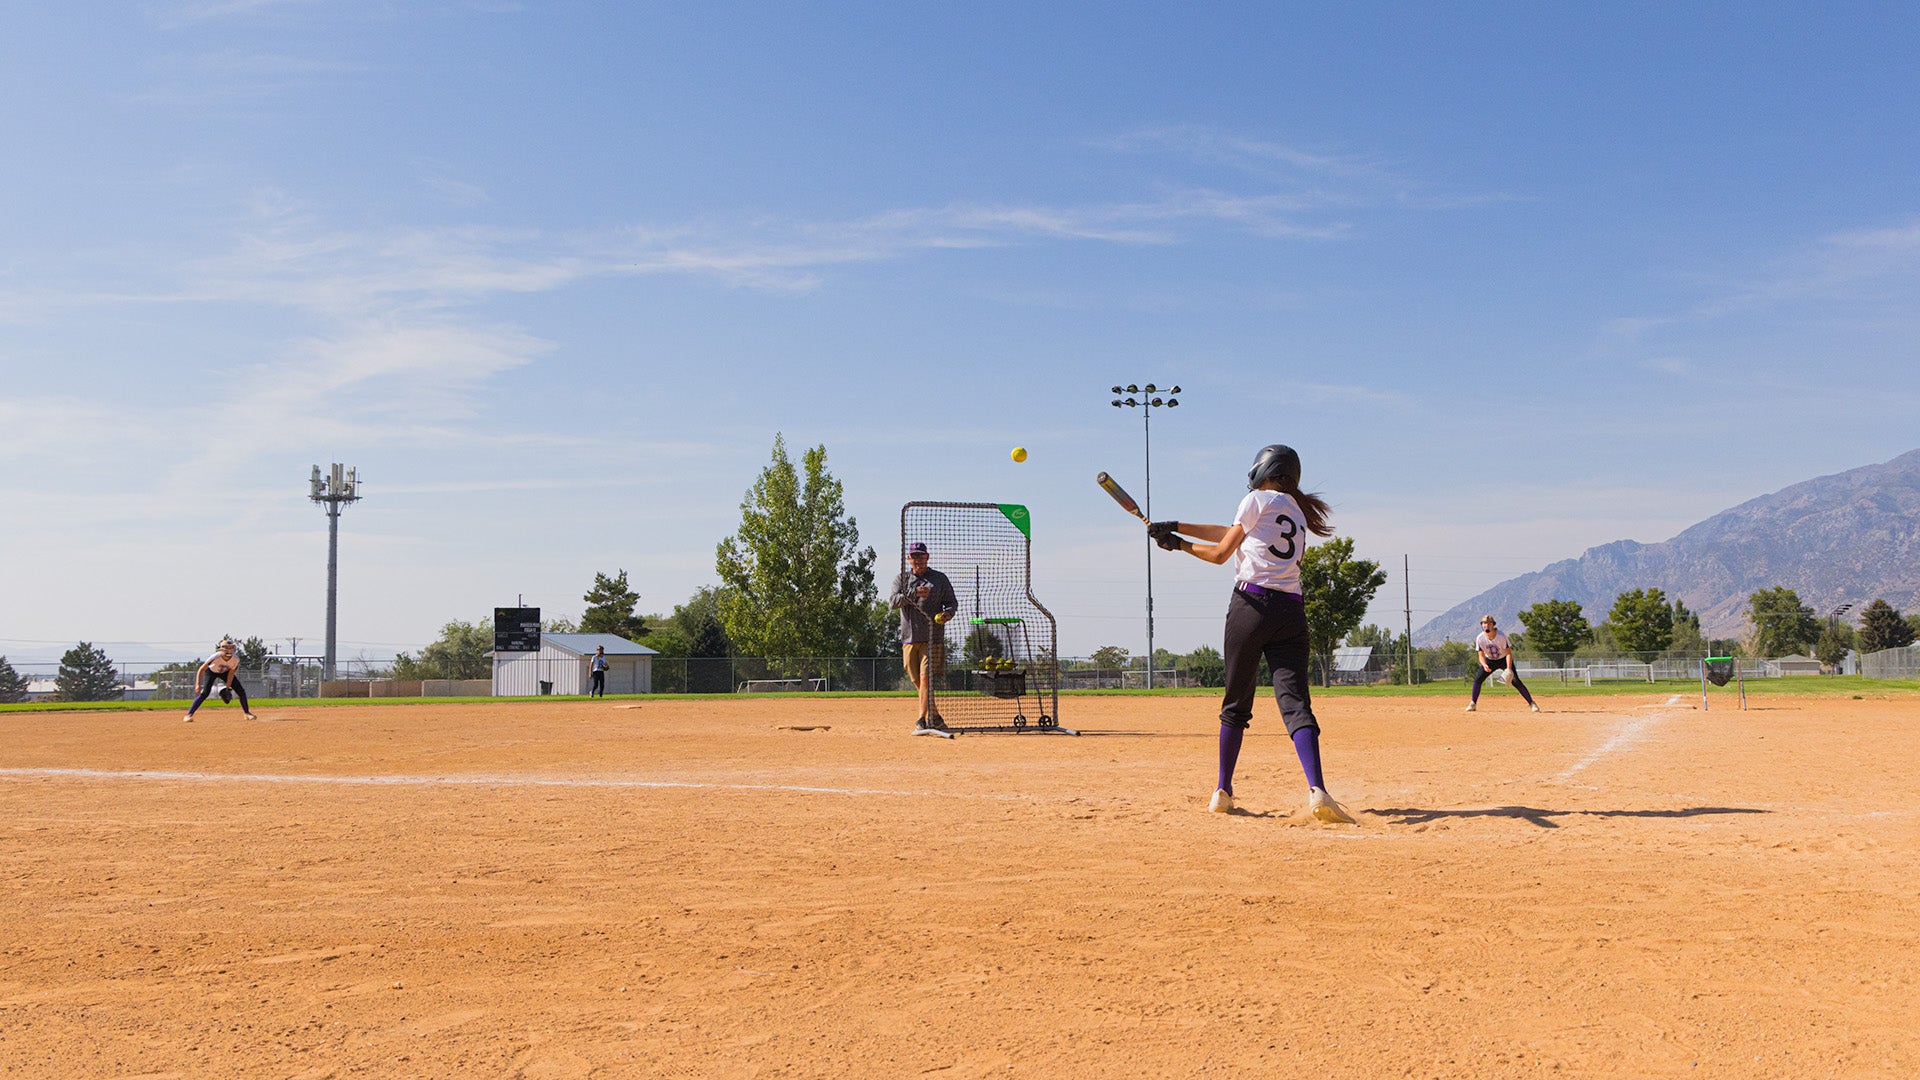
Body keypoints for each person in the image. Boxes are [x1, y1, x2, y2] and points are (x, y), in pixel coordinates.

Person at [1146, 444, 1357, 823]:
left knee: (1236, 705)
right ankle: (1318, 790)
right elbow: (1232, 532)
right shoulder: (1297, 511)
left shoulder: (1256, 498)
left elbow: (1220, 553)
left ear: (1266, 469)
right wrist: (1175, 525)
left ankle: (1223, 791)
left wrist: (1178, 545)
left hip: (1250, 608)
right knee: (1296, 705)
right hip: (1291, 612)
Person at [889, 541, 958, 731]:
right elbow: (893, 602)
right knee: (917, 682)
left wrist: (948, 614)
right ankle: (935, 716)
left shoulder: (939, 579)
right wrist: (913, 593)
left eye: (921, 556)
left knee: (926, 678)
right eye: (915, 556)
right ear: (909, 559)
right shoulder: (901, 579)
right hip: (910, 637)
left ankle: (921, 719)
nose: (918, 560)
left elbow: (951, 602)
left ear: (927, 557)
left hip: (932, 637)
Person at [1467, 615, 1539, 713]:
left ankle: (1532, 703)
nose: (1486, 625)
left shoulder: (1501, 636)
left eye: (1488, 623)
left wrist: (1508, 669)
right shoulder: (1480, 638)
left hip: (1504, 659)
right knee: (1478, 679)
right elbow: (1481, 654)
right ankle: (1473, 703)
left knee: (1516, 681)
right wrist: (1484, 664)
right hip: (1490, 660)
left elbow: (1509, 653)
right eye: (1484, 623)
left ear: (1493, 625)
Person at [183, 638, 256, 722]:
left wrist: (227, 688)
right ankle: (189, 715)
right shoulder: (216, 657)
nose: (229, 650)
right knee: (205, 693)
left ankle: (247, 713)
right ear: (221, 649)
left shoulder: (235, 659)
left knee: (241, 691)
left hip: (225, 672)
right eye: (226, 647)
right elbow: (201, 669)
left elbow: (231, 673)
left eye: (231, 647)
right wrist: (197, 684)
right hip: (211, 671)